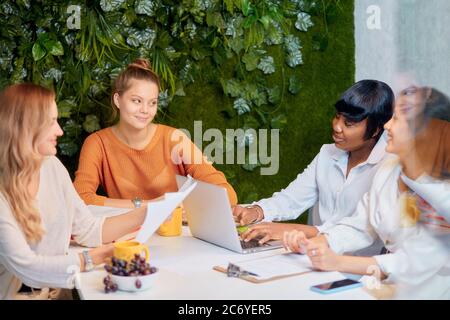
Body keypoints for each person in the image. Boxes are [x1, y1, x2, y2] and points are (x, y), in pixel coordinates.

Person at [283, 93, 450, 299]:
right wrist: (321, 242)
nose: (387, 125)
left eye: (397, 120)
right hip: (389, 283)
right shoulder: (389, 169)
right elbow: (361, 224)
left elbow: (421, 259)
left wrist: (337, 261)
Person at [0, 83, 149, 299]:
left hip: (59, 294)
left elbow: (88, 229)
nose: (59, 131)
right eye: (51, 122)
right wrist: (96, 257)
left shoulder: (52, 166)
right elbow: (28, 268)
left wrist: (148, 212)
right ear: (27, 127)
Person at [233, 80, 394, 254]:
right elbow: (292, 198)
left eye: (349, 124)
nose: (336, 127)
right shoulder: (327, 153)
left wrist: (297, 231)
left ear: (376, 129)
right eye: (337, 116)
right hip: (313, 257)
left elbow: (361, 227)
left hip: (358, 271)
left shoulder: (388, 167)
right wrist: (257, 211)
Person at [73, 58, 237, 208]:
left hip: (174, 234)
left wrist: (188, 208)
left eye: (152, 103)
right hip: (126, 234)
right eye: (136, 101)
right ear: (117, 100)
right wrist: (149, 206)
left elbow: (227, 195)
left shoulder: (174, 139)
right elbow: (80, 198)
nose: (145, 110)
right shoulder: (97, 143)